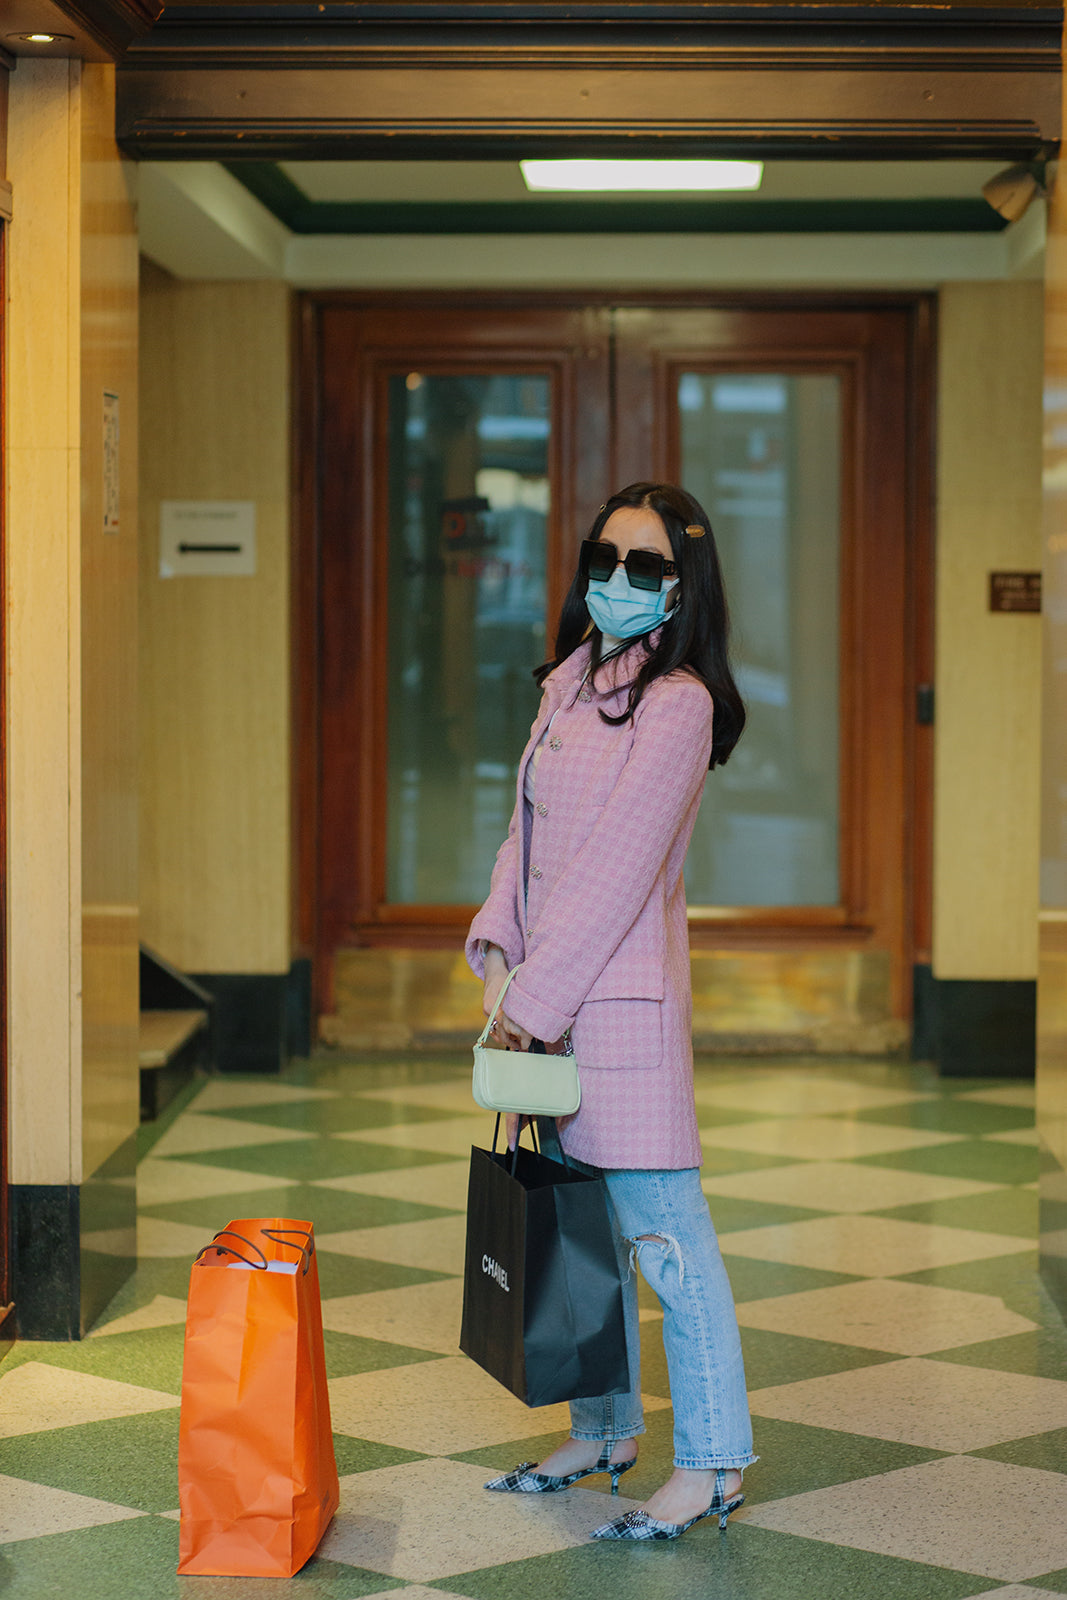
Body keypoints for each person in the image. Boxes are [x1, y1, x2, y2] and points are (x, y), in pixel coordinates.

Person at [465, 481, 757, 1543]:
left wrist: (531, 1005)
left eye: (644, 567)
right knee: (576, 1235)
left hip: (615, 1013)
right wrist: (498, 945)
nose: (618, 582)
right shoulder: (568, 680)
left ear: (681, 587)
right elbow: (525, 836)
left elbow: (614, 873)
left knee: (666, 1244)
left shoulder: (678, 706)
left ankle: (714, 1460)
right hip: (548, 1008)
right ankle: (602, 1431)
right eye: (604, 558)